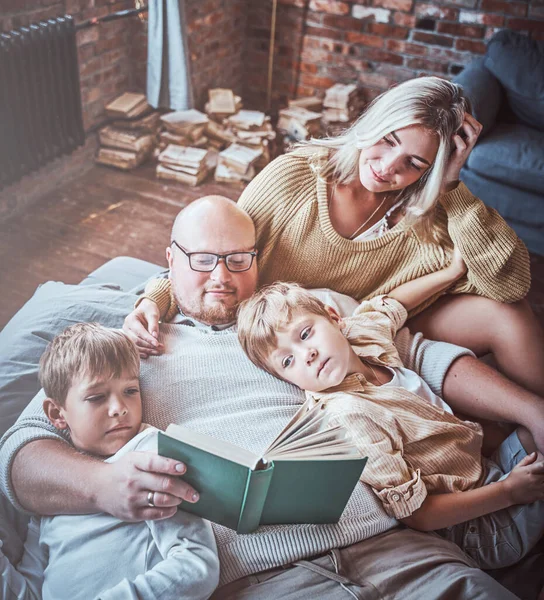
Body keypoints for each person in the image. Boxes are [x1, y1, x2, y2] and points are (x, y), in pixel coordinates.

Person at [0, 196, 522, 598]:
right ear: (169, 261)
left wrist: (531, 409)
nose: (221, 277)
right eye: (203, 259)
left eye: (237, 258)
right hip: (254, 577)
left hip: (398, 546)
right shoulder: (121, 350)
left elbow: (417, 353)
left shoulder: (305, 314)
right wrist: (101, 485)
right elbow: (22, 454)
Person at [131, 76, 544, 403]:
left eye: (414, 163)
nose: (386, 168)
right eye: (387, 140)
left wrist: (452, 184)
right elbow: (224, 252)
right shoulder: (295, 177)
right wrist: (157, 297)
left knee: (510, 315)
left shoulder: (435, 211)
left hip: (387, 314)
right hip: (306, 332)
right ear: (372, 124)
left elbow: (510, 285)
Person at [236, 258, 544, 571]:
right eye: (287, 362)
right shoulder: (351, 415)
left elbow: (393, 303)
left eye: (304, 334)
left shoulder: (362, 337)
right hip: (482, 526)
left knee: (538, 426)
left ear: (334, 318)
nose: (307, 355)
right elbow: (419, 515)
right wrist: (508, 493)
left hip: (485, 468)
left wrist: (452, 271)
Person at [0, 323, 219, 600]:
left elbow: (197, 566)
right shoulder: (51, 497)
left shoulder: (154, 457)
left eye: (130, 391)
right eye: (96, 397)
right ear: (57, 413)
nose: (119, 409)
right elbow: (31, 591)